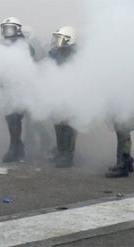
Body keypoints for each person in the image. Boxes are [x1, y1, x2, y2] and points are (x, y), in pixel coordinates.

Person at [0, 17, 35, 163]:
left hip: (19, 90)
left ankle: (15, 149)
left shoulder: (25, 46)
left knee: (15, 119)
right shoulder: (4, 47)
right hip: (7, 90)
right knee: (10, 119)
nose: (7, 32)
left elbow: (28, 67)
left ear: (17, 30)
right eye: (5, 28)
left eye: (10, 28)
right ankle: (18, 148)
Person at [48, 26, 78, 168]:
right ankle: (61, 152)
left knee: (69, 126)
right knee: (58, 124)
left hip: (71, 95)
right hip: (57, 93)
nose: (57, 42)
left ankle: (68, 156)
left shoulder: (76, 55)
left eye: (60, 39)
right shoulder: (55, 54)